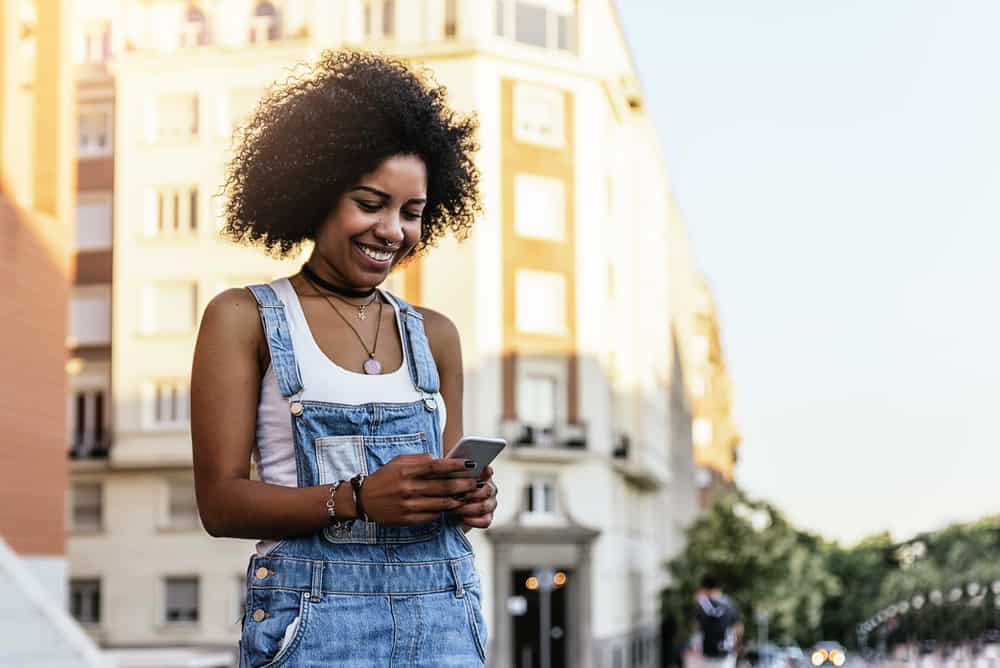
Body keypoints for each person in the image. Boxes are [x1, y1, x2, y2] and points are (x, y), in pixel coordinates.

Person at [191, 50, 497, 667]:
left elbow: (446, 490)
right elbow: (220, 505)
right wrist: (354, 498)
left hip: (444, 616)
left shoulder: (436, 335)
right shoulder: (242, 317)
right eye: (370, 203)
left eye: (412, 213)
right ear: (316, 194)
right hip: (312, 624)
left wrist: (471, 501)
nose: (393, 230)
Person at [691, 576, 742, 668]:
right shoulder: (730, 604)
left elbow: (697, 626)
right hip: (727, 653)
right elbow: (738, 627)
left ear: (704, 588)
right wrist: (737, 646)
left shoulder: (704, 603)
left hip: (708, 653)